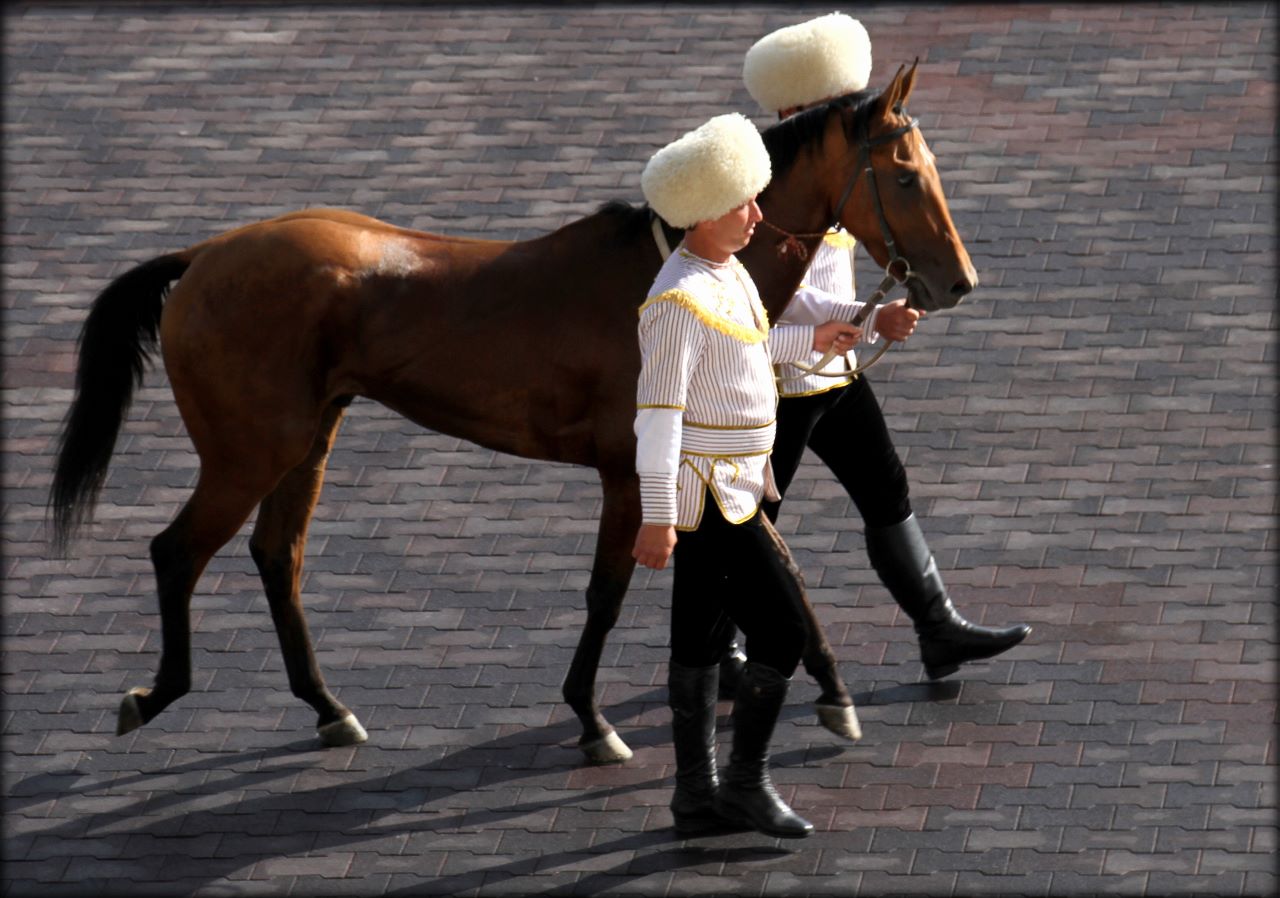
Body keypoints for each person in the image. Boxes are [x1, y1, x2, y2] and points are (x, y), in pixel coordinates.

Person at [741, 13, 1031, 681]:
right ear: (791, 110)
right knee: (751, 523)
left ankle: (938, 627)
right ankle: (721, 647)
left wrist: (877, 312)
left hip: (833, 373)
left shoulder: (833, 175)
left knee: (885, 491)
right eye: (827, 108)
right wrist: (874, 321)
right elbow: (793, 301)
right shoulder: (771, 192)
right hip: (779, 381)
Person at [634, 112, 863, 838]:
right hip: (710, 499)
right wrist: (655, 515)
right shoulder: (675, 302)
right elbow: (659, 416)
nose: (758, 215)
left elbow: (751, 350)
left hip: (731, 487)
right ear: (701, 214)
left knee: (698, 639)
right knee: (783, 630)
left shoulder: (724, 272)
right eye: (742, 203)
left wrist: (815, 339)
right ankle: (742, 785)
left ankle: (695, 797)